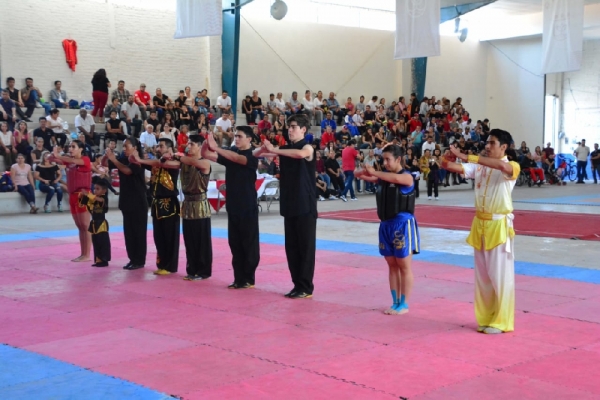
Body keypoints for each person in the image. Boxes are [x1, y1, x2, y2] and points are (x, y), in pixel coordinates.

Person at [441, 128, 520, 334]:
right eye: (487, 142)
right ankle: (486, 317)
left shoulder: (511, 166)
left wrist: (468, 156)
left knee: (499, 276)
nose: (487, 145)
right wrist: (445, 158)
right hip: (480, 225)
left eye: (492, 143)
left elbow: (501, 166)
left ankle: (502, 321)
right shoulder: (480, 167)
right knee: (483, 278)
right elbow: (451, 166)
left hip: (498, 226)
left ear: (503, 147)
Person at [256, 114, 317, 299]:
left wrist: (275, 150)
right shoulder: (284, 149)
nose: (289, 130)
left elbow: (300, 154)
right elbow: (260, 154)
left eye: (293, 127)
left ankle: (306, 286)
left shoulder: (307, 147)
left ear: (303, 129)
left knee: (305, 247)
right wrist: (265, 148)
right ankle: (296, 284)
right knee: (291, 247)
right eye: (288, 127)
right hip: (289, 203)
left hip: (305, 205)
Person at [356, 144, 419, 315]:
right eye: (383, 159)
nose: (384, 163)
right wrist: (364, 169)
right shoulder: (382, 177)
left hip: (402, 225)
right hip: (385, 225)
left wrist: (374, 172)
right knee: (391, 265)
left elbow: (397, 180)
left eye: (388, 160)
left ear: (398, 159)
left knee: (404, 265)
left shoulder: (407, 177)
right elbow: (357, 175)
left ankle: (404, 304)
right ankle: (395, 301)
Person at [202, 126, 260, 289]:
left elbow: (237, 159)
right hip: (233, 204)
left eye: (240, 136)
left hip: (247, 204)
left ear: (249, 139)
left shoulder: (252, 155)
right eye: (235, 136)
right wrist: (207, 141)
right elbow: (206, 155)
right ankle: (238, 277)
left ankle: (248, 277)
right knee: (234, 243)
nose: (236, 138)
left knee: (248, 242)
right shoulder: (231, 153)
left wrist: (217, 147)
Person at [133, 138, 180, 275]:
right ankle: (162, 263)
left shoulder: (175, 161)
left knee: (169, 236)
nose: (158, 148)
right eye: (157, 146)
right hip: (156, 203)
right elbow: (140, 162)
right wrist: (135, 156)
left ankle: (170, 266)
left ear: (170, 148)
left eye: (161, 146)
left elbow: (160, 164)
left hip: (169, 203)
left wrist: (141, 160)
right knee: (158, 236)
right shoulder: (156, 162)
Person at [170, 134, 213, 281]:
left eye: (192, 144)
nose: (188, 146)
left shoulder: (205, 162)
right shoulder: (185, 162)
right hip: (187, 204)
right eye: (188, 144)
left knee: (202, 241)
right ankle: (192, 269)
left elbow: (188, 161)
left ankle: (203, 271)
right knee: (189, 240)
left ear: (200, 146)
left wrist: (176, 156)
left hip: (200, 205)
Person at [106, 138, 148, 270]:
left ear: (135, 147)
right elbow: (107, 164)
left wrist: (113, 159)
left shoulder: (138, 160)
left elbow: (127, 171)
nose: (124, 149)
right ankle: (132, 258)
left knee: (138, 232)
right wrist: (107, 155)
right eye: (122, 146)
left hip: (138, 201)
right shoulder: (123, 159)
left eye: (126, 146)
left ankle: (139, 260)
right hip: (126, 200)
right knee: (128, 233)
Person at [51, 140, 92, 262]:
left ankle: (87, 254)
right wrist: (53, 154)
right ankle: (82, 253)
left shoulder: (85, 160)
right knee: (80, 226)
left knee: (85, 225)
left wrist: (59, 156)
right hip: (73, 195)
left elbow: (73, 161)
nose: (70, 149)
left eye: (73, 147)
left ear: (81, 149)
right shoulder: (69, 162)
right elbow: (53, 159)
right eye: (69, 146)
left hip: (83, 194)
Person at [78, 178, 111, 267]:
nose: (95, 191)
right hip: (94, 223)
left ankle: (104, 260)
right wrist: (81, 196)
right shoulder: (93, 198)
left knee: (102, 242)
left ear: (104, 190)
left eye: (98, 189)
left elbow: (99, 200)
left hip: (101, 224)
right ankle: (98, 260)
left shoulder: (103, 198)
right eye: (94, 188)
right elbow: (82, 203)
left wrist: (88, 195)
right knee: (96, 242)